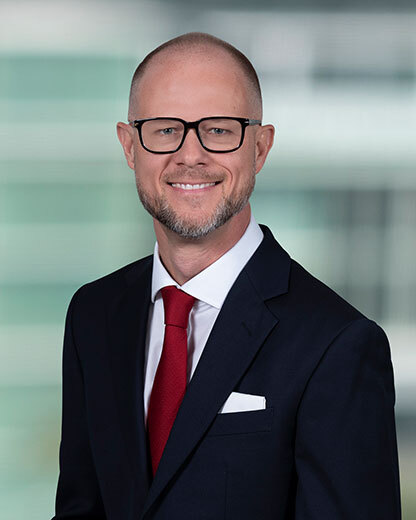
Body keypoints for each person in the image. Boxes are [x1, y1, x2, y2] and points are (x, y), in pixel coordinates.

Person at [52, 32, 401, 520]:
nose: (190, 155)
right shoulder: (94, 314)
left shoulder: (338, 345)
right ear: (130, 147)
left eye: (218, 130)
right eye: (165, 129)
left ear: (260, 147)